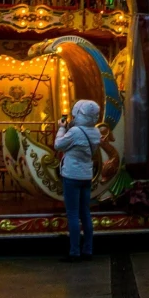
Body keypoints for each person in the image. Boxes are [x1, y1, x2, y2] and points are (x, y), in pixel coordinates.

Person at [55, 99, 102, 260]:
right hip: (86, 176)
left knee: (73, 214)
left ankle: (74, 251)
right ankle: (88, 249)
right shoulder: (96, 132)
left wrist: (61, 129)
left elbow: (58, 145)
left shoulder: (75, 133)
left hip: (72, 175)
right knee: (85, 213)